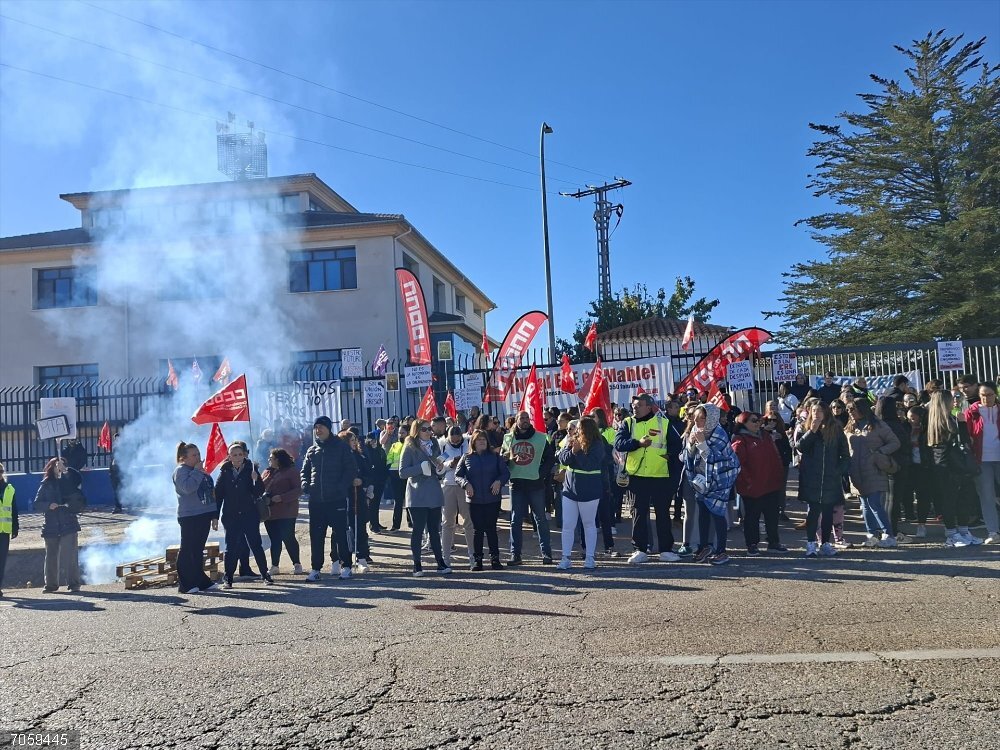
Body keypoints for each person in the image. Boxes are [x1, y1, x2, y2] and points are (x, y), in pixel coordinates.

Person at [615, 393, 680, 564]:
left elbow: (677, 444)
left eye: (638, 405)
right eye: (633, 406)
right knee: (638, 514)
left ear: (649, 407)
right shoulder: (627, 423)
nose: (634, 408)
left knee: (663, 514)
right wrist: (637, 443)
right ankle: (640, 550)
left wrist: (668, 456)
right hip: (636, 476)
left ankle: (665, 550)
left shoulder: (663, 422)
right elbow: (619, 444)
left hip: (660, 475)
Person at [301, 416, 358, 581]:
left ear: (328, 428)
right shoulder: (311, 450)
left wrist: (340, 488)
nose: (318, 430)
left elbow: (350, 470)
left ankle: (346, 566)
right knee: (316, 536)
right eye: (316, 427)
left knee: (340, 534)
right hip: (316, 501)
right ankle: (315, 569)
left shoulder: (341, 447)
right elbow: (304, 471)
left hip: (337, 500)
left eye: (321, 427)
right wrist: (306, 485)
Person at [682, 404, 740, 565]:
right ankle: (704, 546)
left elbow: (718, 459)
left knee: (718, 514)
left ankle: (721, 551)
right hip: (701, 480)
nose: (697, 422)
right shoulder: (695, 432)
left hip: (720, 479)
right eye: (695, 418)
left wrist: (702, 444)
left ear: (711, 419)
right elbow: (687, 456)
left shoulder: (720, 434)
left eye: (701, 418)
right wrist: (691, 445)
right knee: (703, 513)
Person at [927, 391, 982, 547]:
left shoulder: (951, 418)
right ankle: (952, 534)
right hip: (947, 466)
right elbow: (960, 441)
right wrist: (962, 424)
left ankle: (964, 531)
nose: (954, 402)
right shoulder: (940, 422)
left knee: (964, 499)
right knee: (950, 501)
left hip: (956, 465)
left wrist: (961, 423)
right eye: (952, 399)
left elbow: (964, 442)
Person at [796, 403, 851, 557]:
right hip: (812, 478)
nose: (816, 413)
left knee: (828, 512)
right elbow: (800, 447)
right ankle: (810, 544)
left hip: (830, 478)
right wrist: (812, 431)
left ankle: (825, 543)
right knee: (813, 512)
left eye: (820, 410)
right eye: (813, 411)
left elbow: (845, 455)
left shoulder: (836, 429)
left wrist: (838, 471)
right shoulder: (805, 428)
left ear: (826, 412)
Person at [844, 398, 900, 548]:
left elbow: (895, 442)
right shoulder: (850, 427)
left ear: (862, 409)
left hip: (874, 469)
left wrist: (879, 452)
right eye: (848, 409)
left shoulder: (878, 425)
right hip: (856, 471)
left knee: (875, 503)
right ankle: (872, 535)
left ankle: (888, 534)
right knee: (865, 505)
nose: (850, 412)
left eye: (853, 409)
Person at [502, 410, 556, 565]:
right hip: (516, 484)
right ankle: (515, 555)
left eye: (527, 418)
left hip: (536, 484)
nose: (525, 420)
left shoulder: (540, 437)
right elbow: (502, 460)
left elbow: (550, 458)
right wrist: (505, 459)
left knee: (540, 519)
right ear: (516, 420)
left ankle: (547, 554)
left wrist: (542, 473)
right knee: (515, 521)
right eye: (522, 418)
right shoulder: (508, 438)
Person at [399, 420, 451, 576]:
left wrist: (440, 469)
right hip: (417, 494)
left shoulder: (434, 445)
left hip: (434, 492)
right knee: (418, 530)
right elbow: (402, 472)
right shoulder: (409, 447)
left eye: (430, 428)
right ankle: (417, 564)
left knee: (435, 530)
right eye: (424, 429)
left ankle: (440, 562)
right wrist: (420, 468)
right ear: (417, 431)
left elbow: (438, 467)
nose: (428, 431)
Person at [216, 441, 270, 588]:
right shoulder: (225, 471)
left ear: (244, 454)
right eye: (234, 455)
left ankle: (265, 574)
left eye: (240, 454)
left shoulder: (251, 469)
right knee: (231, 547)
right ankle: (228, 577)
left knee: (256, 544)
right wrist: (215, 516)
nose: (238, 457)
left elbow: (259, 492)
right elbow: (219, 495)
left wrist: (256, 479)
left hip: (249, 514)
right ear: (229, 456)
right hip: (231, 515)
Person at [731, 412, 787, 555]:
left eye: (759, 420)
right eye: (754, 421)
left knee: (772, 515)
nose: (757, 423)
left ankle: (773, 542)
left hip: (771, 484)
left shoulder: (766, 436)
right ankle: (752, 544)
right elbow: (738, 464)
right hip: (752, 488)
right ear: (743, 423)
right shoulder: (740, 439)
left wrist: (779, 474)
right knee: (752, 517)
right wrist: (747, 482)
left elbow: (775, 456)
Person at [556, 416, 606, 570]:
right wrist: (572, 450)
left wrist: (576, 452)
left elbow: (589, 465)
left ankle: (590, 557)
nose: (577, 431)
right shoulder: (572, 441)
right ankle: (566, 557)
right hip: (570, 490)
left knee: (589, 524)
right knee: (568, 525)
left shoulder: (598, 444)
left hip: (589, 490)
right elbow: (563, 459)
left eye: (580, 429)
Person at [456, 429, 510, 570]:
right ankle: (477, 560)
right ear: (473, 441)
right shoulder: (467, 457)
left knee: (491, 529)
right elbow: (458, 475)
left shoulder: (495, 457)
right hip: (474, 500)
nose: (481, 442)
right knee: (477, 530)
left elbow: (505, 473)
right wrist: (465, 484)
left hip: (492, 498)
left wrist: (499, 481)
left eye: (484, 439)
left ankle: (495, 559)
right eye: (479, 439)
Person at [172, 443, 220, 593]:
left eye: (199, 454)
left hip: (203, 514)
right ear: (183, 458)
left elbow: (210, 492)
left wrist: (214, 515)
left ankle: (200, 580)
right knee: (188, 549)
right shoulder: (181, 471)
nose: (198, 458)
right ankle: (185, 583)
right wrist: (198, 472)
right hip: (189, 516)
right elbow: (188, 488)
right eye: (194, 455)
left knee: (198, 550)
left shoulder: (199, 471)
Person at [33, 457, 85, 592]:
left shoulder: (69, 480)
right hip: (51, 525)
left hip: (68, 523)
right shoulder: (45, 484)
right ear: (51, 468)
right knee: (51, 556)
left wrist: (66, 472)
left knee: (70, 557)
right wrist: (48, 505)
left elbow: (77, 481)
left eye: (61, 465)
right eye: (57, 465)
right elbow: (36, 504)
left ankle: (74, 584)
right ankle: (51, 585)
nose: (59, 468)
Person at [964, 382, 999, 545]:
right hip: (982, 459)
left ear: (996, 394)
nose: (987, 398)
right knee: (986, 496)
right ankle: (993, 531)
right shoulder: (971, 412)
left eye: (990, 394)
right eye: (983, 395)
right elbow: (968, 435)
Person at [875, 396, 912, 541]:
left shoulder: (877, 423)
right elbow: (902, 444)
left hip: (882, 464)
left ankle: (885, 529)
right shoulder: (894, 425)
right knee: (893, 499)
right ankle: (892, 531)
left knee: (883, 500)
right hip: (896, 464)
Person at [262, 448, 303, 576]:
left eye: (271, 458)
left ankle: (297, 563)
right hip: (270, 512)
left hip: (287, 511)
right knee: (274, 539)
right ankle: (275, 565)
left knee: (288, 537)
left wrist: (282, 497)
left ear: (278, 459)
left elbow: (298, 490)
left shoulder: (291, 472)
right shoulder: (267, 472)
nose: (269, 460)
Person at [439, 426, 474, 568]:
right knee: (447, 523)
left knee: (468, 522)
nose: (455, 440)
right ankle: (445, 558)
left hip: (465, 484)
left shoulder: (468, 443)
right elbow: (438, 467)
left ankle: (472, 556)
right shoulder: (442, 445)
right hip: (448, 484)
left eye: (458, 437)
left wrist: (463, 462)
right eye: (452, 438)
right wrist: (450, 464)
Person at [898, 406, 933, 538]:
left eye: (913, 418)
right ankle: (909, 516)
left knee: (923, 497)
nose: (910, 420)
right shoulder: (905, 428)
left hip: (924, 466)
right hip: (909, 465)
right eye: (909, 418)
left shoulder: (927, 429)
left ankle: (921, 524)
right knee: (906, 494)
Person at [340, 431, 372, 572]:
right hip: (342, 496)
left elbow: (368, 474)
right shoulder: (338, 458)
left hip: (358, 496)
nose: (354, 442)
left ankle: (362, 558)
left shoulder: (360, 456)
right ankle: (342, 559)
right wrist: (347, 481)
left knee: (360, 527)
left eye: (355, 439)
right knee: (343, 530)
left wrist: (362, 480)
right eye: (351, 440)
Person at [0, 462, 19, 598]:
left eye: (1, 471)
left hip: (4, 531)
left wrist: (15, 527)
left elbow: (14, 509)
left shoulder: (9, 489)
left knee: (1, 560)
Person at [365, 435, 389, 533]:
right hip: (373, 481)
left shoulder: (380, 450)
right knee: (373, 504)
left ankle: (376, 523)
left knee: (376, 503)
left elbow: (383, 462)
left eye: (374, 440)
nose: (373, 442)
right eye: (371, 440)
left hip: (381, 479)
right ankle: (373, 525)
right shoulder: (367, 451)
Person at [109, 432, 124, 513]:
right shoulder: (114, 448)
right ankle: (118, 506)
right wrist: (110, 471)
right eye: (116, 439)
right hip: (114, 472)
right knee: (116, 490)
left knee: (120, 490)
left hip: (121, 472)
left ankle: (119, 506)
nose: (117, 440)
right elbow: (112, 461)